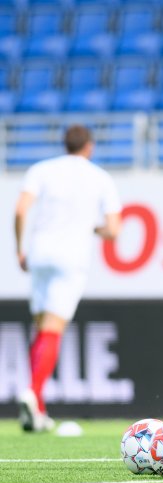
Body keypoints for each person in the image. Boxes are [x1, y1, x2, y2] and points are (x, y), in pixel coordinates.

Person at [13, 125, 121, 432]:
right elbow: (113, 229)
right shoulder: (100, 177)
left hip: (38, 252)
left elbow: (21, 210)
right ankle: (32, 392)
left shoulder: (42, 169)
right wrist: (91, 227)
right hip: (70, 257)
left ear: (65, 144)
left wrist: (20, 248)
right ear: (89, 146)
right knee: (53, 330)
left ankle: (37, 409)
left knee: (40, 328)